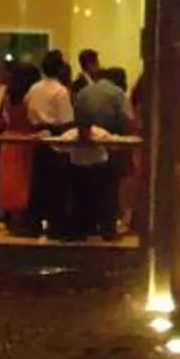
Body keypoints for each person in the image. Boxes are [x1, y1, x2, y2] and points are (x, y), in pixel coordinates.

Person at [68, 57, 130, 241]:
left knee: (83, 192)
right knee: (108, 190)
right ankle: (107, 228)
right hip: (110, 142)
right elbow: (127, 118)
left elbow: (76, 114)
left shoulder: (83, 92)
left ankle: (85, 227)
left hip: (83, 142)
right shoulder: (117, 93)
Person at [24, 51, 76, 240]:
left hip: (38, 136)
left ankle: (33, 223)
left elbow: (27, 109)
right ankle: (57, 225)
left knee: (38, 184)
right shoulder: (60, 91)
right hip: (56, 138)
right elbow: (66, 119)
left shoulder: (34, 88)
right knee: (57, 185)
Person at [0, 60, 37, 233]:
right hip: (25, 139)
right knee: (24, 181)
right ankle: (21, 219)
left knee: (9, 181)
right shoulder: (29, 96)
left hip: (9, 139)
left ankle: (11, 217)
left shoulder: (7, 95)